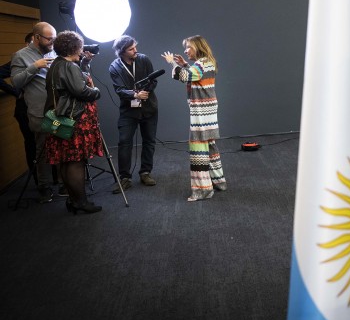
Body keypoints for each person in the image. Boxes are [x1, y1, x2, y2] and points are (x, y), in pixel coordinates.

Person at [43, 31, 103, 214]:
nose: (81, 51)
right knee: (76, 162)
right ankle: (81, 202)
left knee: (66, 161)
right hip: (75, 121)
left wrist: (83, 64)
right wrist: (96, 91)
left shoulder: (57, 64)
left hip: (61, 120)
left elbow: (72, 84)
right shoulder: (69, 66)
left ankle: (73, 200)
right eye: (80, 48)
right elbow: (81, 91)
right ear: (74, 48)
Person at [162, 36, 226, 201]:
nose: (186, 50)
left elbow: (184, 77)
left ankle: (203, 190)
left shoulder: (201, 64)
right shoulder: (207, 62)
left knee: (198, 149)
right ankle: (218, 181)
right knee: (209, 145)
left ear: (198, 47)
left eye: (189, 47)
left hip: (201, 111)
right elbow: (195, 76)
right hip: (209, 109)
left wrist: (172, 63)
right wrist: (184, 65)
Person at [11, 22, 57, 203]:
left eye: (54, 38)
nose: (52, 42)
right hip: (39, 113)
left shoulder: (53, 52)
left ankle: (64, 184)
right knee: (43, 151)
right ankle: (44, 187)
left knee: (62, 146)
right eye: (49, 38)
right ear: (37, 37)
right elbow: (16, 82)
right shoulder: (20, 56)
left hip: (57, 111)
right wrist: (34, 66)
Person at [109, 35, 158, 193]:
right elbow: (119, 90)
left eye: (135, 46)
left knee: (149, 141)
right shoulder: (114, 67)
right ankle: (125, 178)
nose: (135, 50)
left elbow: (154, 80)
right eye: (131, 49)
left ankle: (145, 173)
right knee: (124, 142)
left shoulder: (144, 59)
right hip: (128, 111)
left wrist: (145, 92)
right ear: (122, 51)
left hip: (149, 108)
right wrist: (135, 94)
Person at [1, 33, 36, 176]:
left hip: (43, 108)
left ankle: (55, 179)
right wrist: (15, 92)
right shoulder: (18, 61)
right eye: (33, 42)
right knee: (32, 144)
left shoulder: (46, 58)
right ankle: (39, 183)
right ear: (27, 45)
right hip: (24, 109)